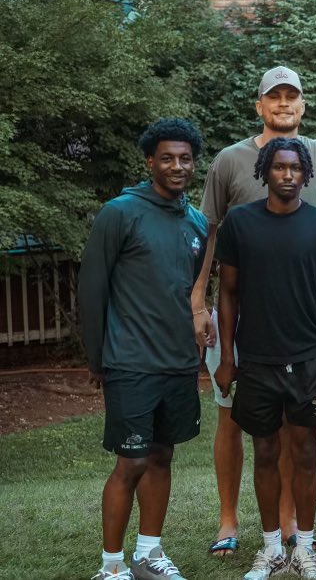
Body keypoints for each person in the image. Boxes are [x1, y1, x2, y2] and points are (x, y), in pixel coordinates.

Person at [193, 66, 316, 557]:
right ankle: (228, 521)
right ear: (258, 104)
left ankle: (289, 529)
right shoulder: (229, 160)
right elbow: (210, 234)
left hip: (302, 325)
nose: (283, 103)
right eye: (273, 96)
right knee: (233, 421)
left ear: (303, 105)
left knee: (295, 435)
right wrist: (198, 301)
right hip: (242, 318)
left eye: (292, 97)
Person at [80, 118, 208, 580]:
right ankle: (111, 567)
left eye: (185, 159)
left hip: (177, 362)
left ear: (194, 163)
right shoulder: (120, 213)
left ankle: (149, 554)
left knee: (161, 456)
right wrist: (97, 358)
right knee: (131, 460)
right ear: (150, 162)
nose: (177, 166)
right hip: (130, 361)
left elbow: (185, 291)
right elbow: (92, 290)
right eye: (167, 158)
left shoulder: (195, 222)